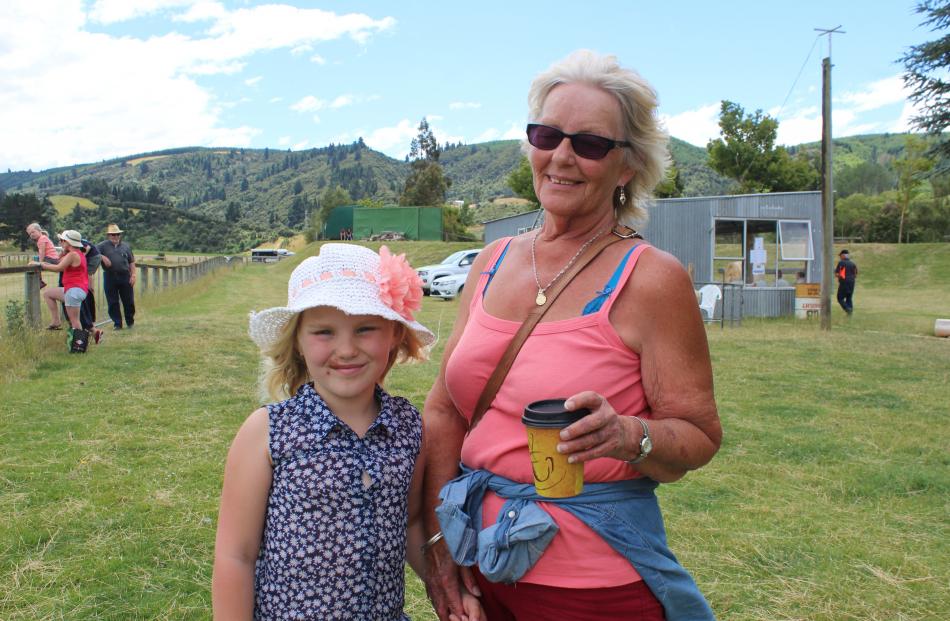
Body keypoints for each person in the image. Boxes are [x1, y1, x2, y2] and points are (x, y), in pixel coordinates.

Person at [421, 50, 722, 621]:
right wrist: (442, 543)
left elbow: (699, 436)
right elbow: (444, 412)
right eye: (546, 134)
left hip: (591, 587)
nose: (561, 156)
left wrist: (626, 434)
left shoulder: (652, 278)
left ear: (626, 166)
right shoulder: (490, 261)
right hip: (485, 569)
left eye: (589, 144)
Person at [212, 244, 482, 621]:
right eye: (324, 332)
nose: (346, 348)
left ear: (393, 336)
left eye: (365, 329)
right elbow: (235, 555)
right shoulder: (268, 431)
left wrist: (448, 589)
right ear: (299, 344)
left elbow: (411, 523)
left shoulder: (408, 427)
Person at [28, 230, 90, 353]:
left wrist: (41, 265)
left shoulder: (73, 255)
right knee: (48, 294)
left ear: (68, 242)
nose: (60, 242)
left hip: (74, 290)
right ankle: (56, 321)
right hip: (74, 289)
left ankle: (79, 347)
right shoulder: (76, 253)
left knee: (74, 321)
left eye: (62, 240)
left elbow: (58, 268)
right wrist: (43, 262)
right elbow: (59, 262)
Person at [97, 223, 136, 330]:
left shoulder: (126, 246)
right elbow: (92, 252)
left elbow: (131, 262)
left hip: (125, 276)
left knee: (128, 301)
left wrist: (133, 275)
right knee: (112, 301)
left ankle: (130, 322)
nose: (116, 237)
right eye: (113, 235)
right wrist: (102, 257)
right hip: (110, 276)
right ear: (108, 236)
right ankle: (117, 324)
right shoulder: (102, 246)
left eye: (118, 234)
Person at [25, 222, 60, 287]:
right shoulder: (43, 238)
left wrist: (40, 263)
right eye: (29, 234)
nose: (31, 235)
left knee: (33, 264)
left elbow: (42, 252)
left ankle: (39, 282)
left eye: (33, 232)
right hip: (52, 258)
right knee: (35, 261)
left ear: (39, 230)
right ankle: (39, 281)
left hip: (51, 259)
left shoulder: (42, 239)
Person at [834, 249, 858, 315]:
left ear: (843, 255)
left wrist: (836, 274)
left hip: (844, 282)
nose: (840, 257)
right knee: (849, 297)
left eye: (840, 256)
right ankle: (850, 314)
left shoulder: (841, 263)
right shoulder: (853, 264)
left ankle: (848, 309)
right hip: (852, 282)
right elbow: (855, 275)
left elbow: (838, 274)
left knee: (840, 298)